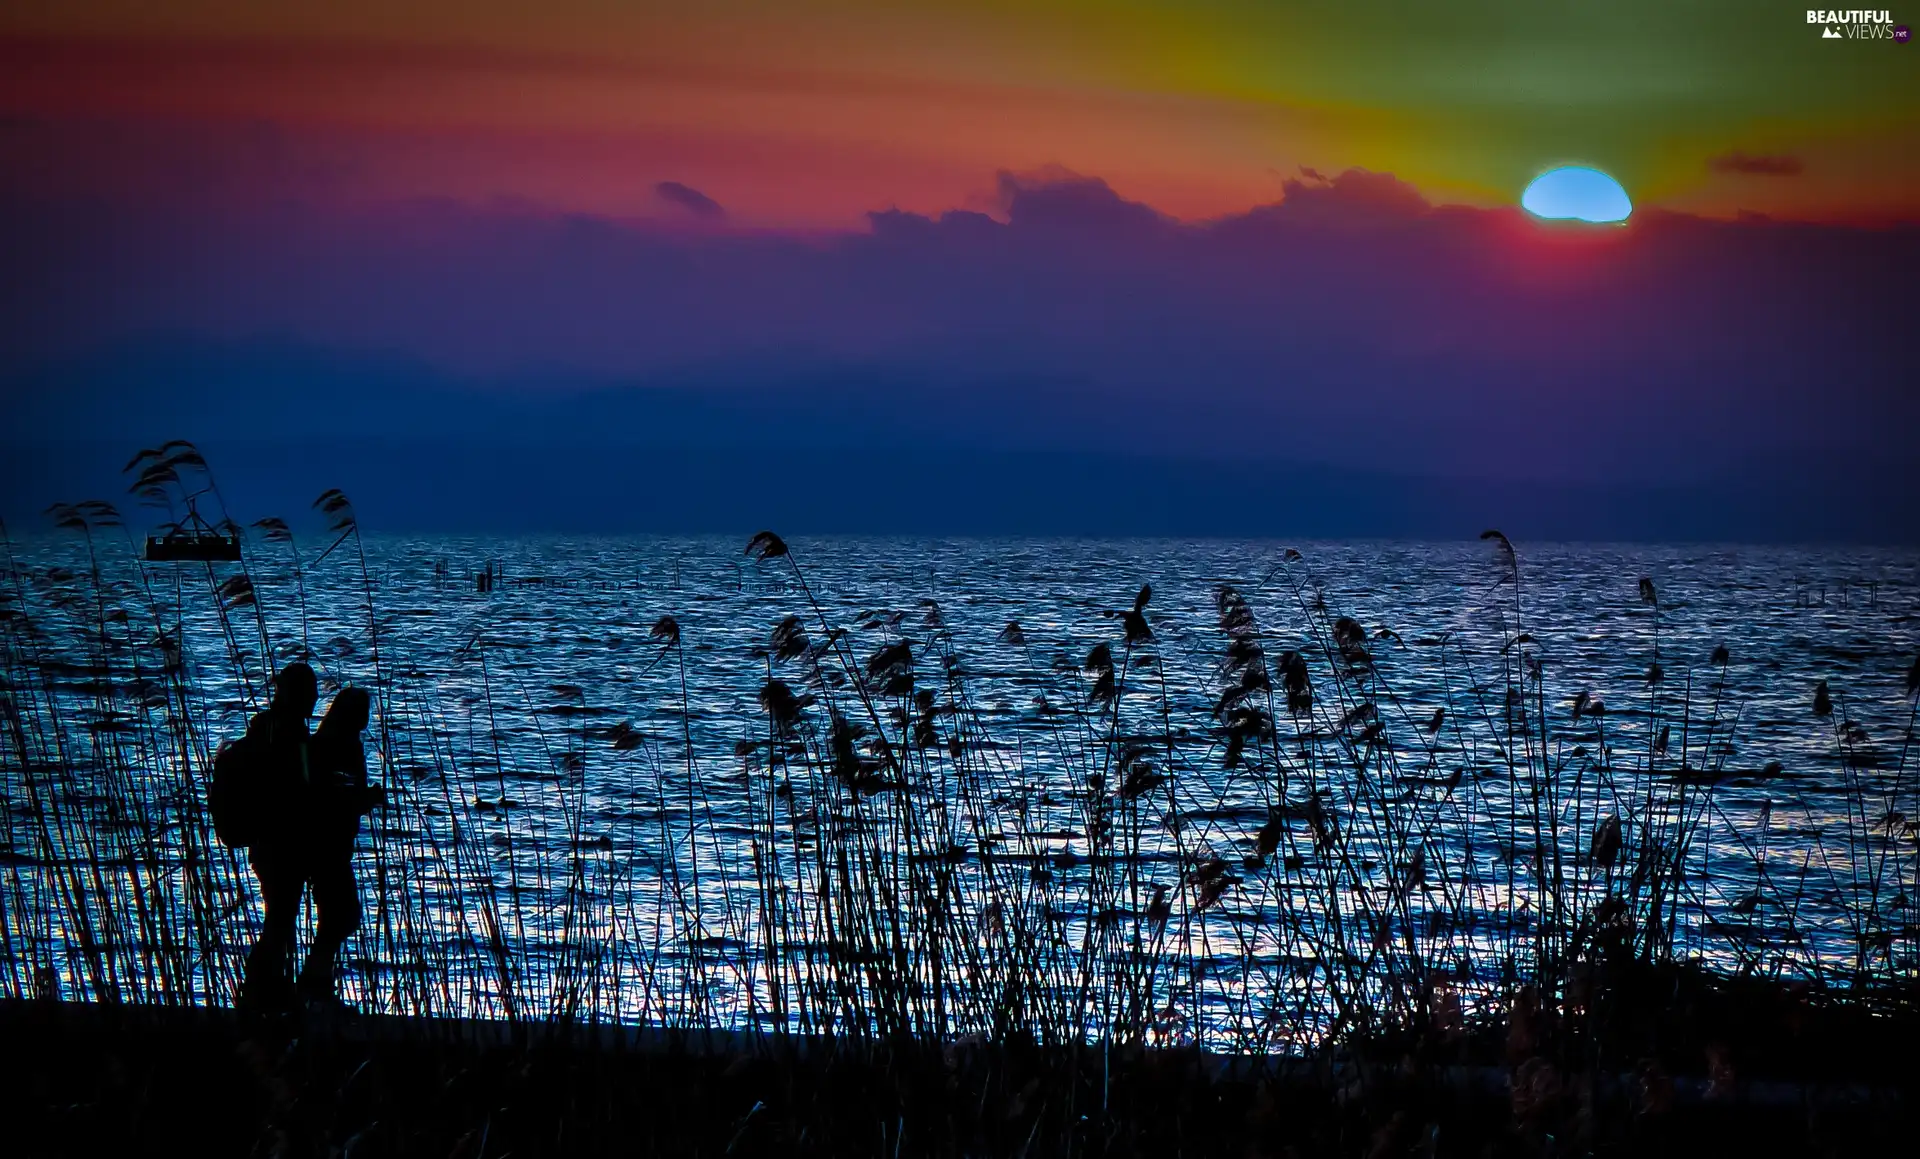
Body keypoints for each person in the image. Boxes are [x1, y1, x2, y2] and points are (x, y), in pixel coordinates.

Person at [238, 662, 318, 1011]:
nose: (315, 700)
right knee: (280, 919)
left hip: (268, 842)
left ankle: (272, 987)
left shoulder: (268, 728)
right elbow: (300, 788)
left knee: (280, 917)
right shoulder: (289, 733)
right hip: (280, 844)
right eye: (310, 693)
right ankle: (260, 986)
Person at [299, 686, 385, 1003]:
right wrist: (369, 799)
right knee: (342, 915)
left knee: (338, 915)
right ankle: (315, 978)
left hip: (329, 844)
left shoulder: (331, 742)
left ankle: (317, 976)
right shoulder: (338, 746)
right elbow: (336, 800)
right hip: (327, 845)